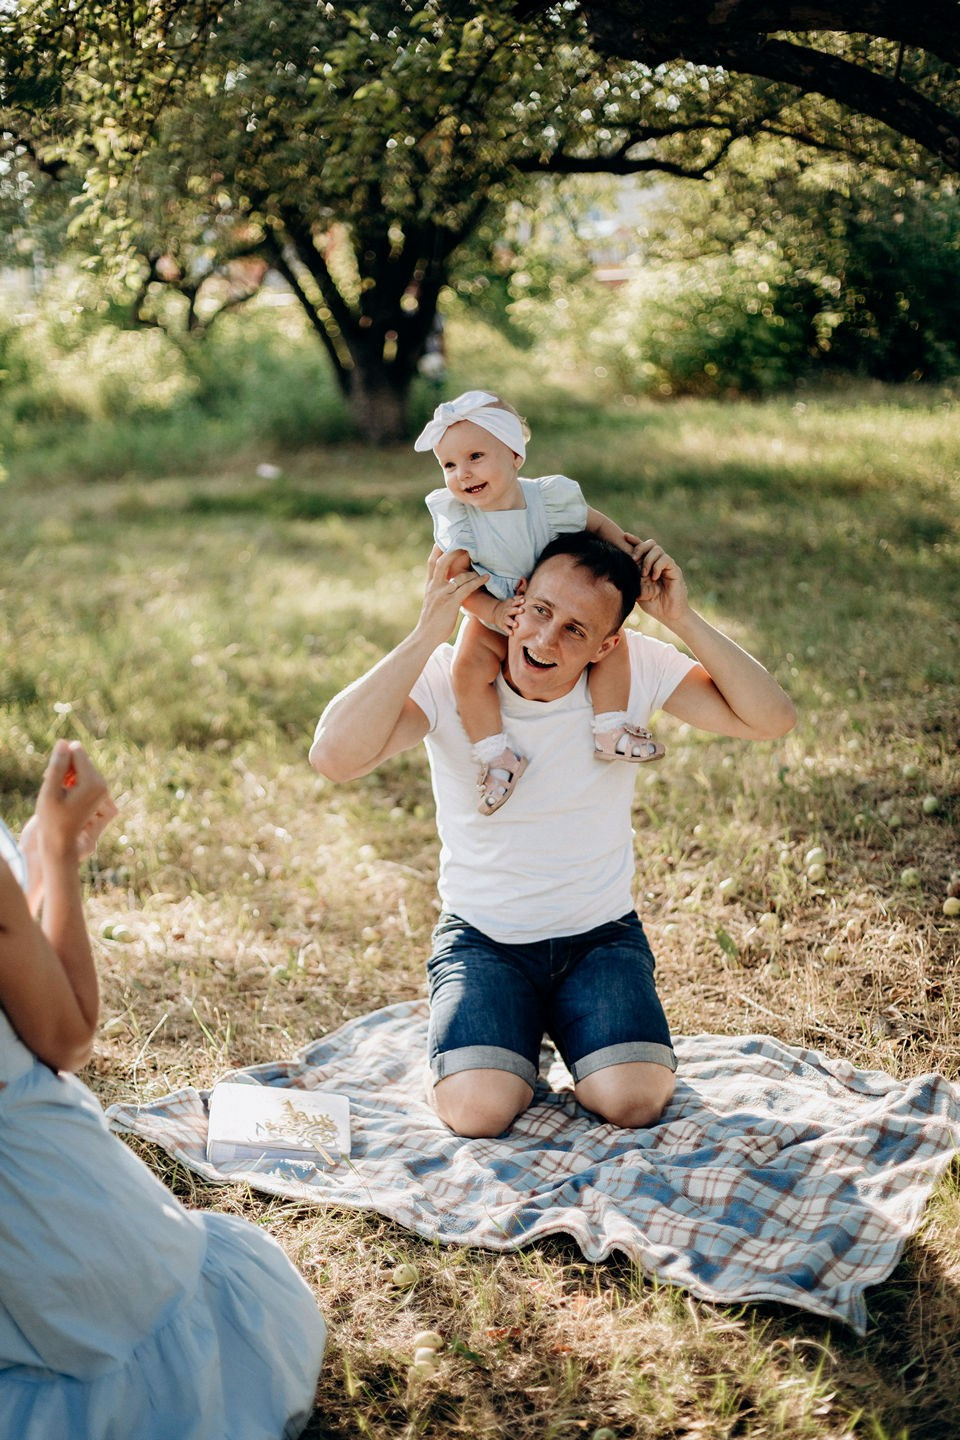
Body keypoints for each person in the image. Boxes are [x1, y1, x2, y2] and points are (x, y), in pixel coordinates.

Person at [310, 530, 796, 1140]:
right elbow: (333, 757)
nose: (543, 638)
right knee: (477, 1112)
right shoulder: (447, 674)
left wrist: (683, 617)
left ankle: (551, 1030)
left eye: (575, 629)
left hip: (600, 939)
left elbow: (771, 718)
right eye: (538, 610)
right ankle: (508, 1037)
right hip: (483, 941)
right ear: (514, 600)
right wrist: (427, 629)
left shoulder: (634, 667)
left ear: (604, 646)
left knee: (633, 1100)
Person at [0, 739, 326, 1440]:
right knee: (161, 1311)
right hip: (34, 1195)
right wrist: (55, 856)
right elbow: (62, 1037)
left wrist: (29, 864)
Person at [415, 389, 663, 814]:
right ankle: (496, 754)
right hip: (499, 608)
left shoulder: (549, 500)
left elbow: (596, 522)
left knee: (610, 650)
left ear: (514, 456)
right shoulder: (461, 522)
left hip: (561, 603)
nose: (463, 473)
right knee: (467, 669)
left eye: (476, 456)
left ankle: (609, 726)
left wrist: (626, 553)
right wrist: (490, 611)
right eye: (449, 465)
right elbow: (455, 581)